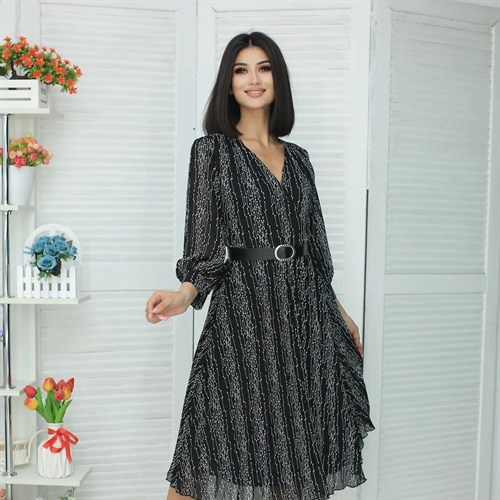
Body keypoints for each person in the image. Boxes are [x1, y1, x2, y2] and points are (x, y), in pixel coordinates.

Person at [146, 31, 375, 500]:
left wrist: (341, 313)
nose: (254, 79)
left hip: (303, 318)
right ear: (229, 84)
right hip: (244, 317)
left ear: (277, 79)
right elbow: (206, 246)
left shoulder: (300, 160)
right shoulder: (212, 151)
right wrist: (183, 294)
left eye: (264, 68)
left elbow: (314, 249)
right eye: (241, 70)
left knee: (291, 457)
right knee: (208, 445)